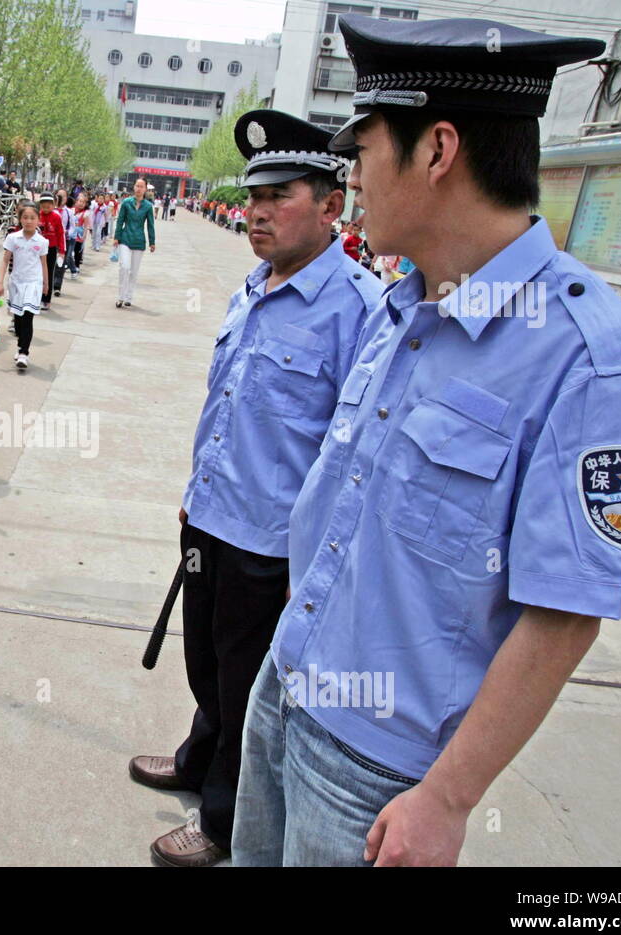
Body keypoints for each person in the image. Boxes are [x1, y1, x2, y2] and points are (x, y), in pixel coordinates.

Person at [232, 14, 621, 867]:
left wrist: (449, 796)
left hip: (378, 770)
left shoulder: (592, 360)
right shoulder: (404, 305)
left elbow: (566, 608)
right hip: (288, 680)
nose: (350, 177)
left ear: (437, 151)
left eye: (362, 150)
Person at [131, 111, 380, 867]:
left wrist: (317, 563)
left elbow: (355, 457)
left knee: (247, 690)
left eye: (281, 195)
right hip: (210, 518)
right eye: (253, 196)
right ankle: (200, 757)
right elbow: (230, 404)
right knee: (205, 662)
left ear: (333, 206)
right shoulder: (252, 285)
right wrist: (195, 489)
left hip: (271, 547)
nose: (258, 211)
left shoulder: (359, 310)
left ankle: (222, 822)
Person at [0, 201, 49, 370]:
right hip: (16, 283)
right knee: (18, 320)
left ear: (38, 220)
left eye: (32, 218)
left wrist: (46, 284)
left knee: (27, 317)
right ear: (20, 219)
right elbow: (5, 260)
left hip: (34, 283)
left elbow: (44, 264)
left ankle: (24, 352)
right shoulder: (13, 238)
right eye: (25, 217)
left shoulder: (41, 241)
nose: (28, 221)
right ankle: (21, 345)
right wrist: (0, 282)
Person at [113, 178, 156, 308]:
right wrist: (116, 237)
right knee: (124, 267)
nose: (138, 188)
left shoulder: (148, 206)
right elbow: (120, 221)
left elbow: (150, 225)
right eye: (137, 186)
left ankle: (128, 297)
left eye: (141, 186)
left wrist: (152, 242)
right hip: (125, 239)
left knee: (134, 271)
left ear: (145, 189)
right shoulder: (126, 203)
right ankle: (121, 296)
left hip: (139, 241)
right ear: (134, 187)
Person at [37, 194, 65, 311]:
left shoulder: (56, 217)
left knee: (48, 273)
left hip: (51, 249)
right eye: (43, 207)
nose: (46, 209)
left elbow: (60, 234)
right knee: (37, 273)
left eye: (49, 206)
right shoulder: (37, 215)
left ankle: (46, 300)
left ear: (53, 205)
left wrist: (62, 250)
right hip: (38, 249)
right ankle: (37, 297)